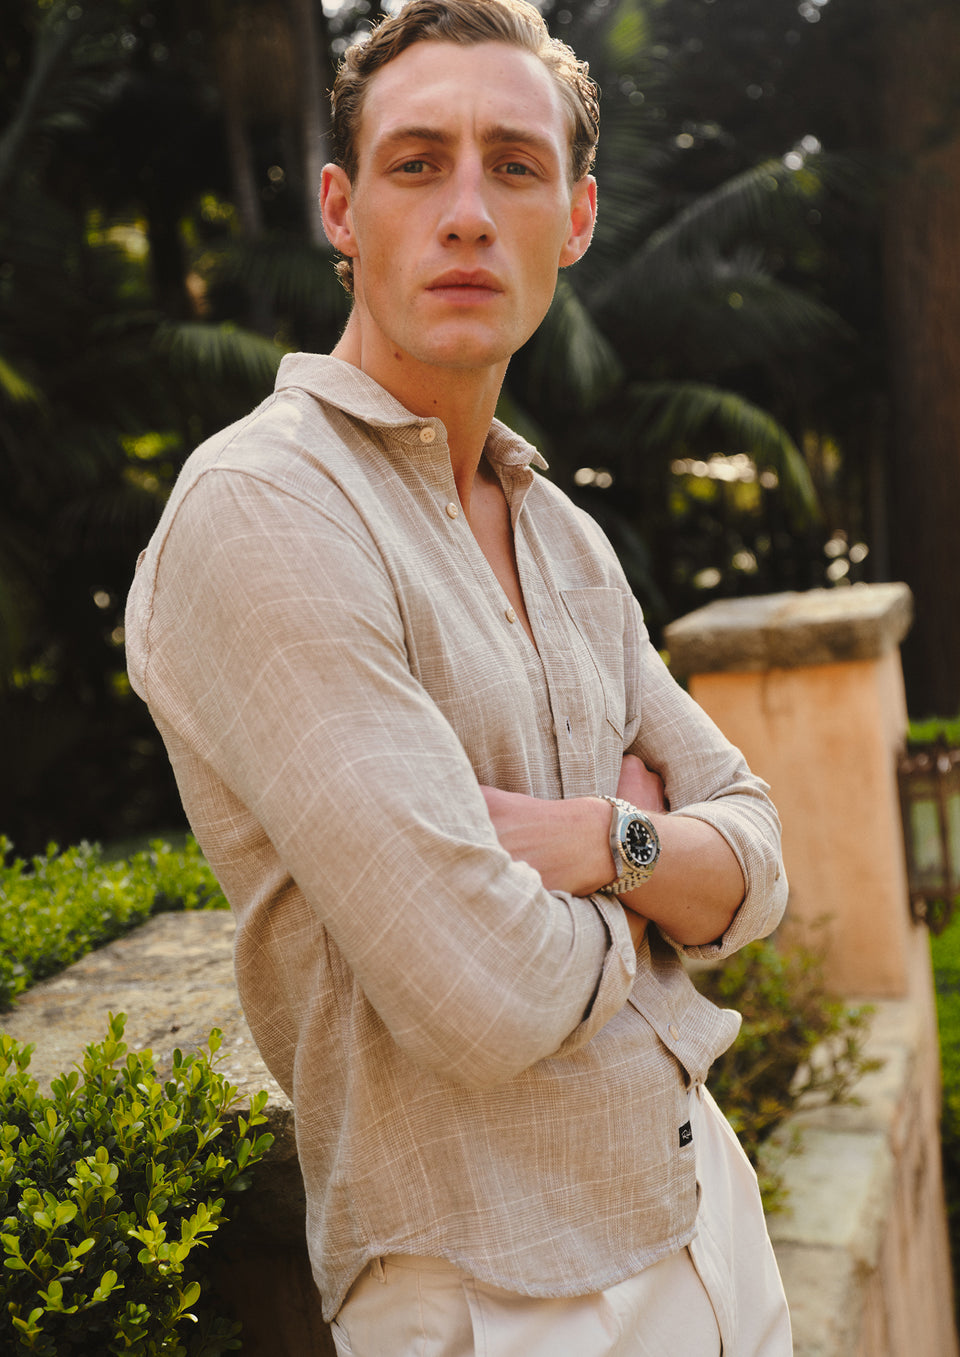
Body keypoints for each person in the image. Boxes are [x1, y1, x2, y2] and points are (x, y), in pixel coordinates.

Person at [125, 0, 793, 1352]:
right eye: (419, 162)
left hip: (708, 1211)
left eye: (516, 165)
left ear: (579, 217)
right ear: (341, 209)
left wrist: (597, 837)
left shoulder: (563, 532)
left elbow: (766, 855)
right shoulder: (263, 508)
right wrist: (659, 883)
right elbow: (477, 990)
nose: (470, 211)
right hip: (494, 1289)